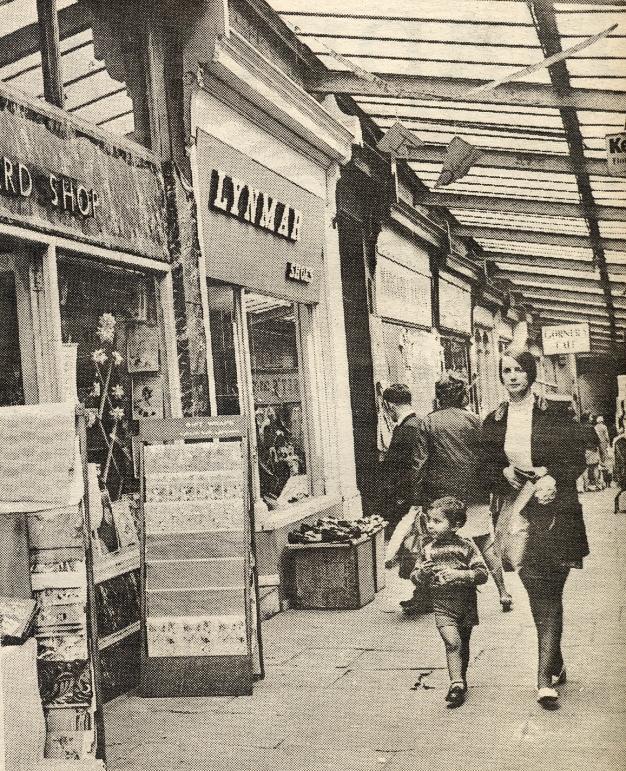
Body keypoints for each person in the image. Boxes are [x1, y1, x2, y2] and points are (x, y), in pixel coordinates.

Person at [480, 349, 589, 709]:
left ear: (530, 373)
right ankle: (553, 659)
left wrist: (555, 478)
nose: (512, 376)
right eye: (505, 371)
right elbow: (485, 466)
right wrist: (503, 473)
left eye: (518, 370)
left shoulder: (554, 410)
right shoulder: (494, 419)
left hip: (555, 509)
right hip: (519, 512)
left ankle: (543, 678)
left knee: (551, 587)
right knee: (533, 586)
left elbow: (576, 455)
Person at [393, 372, 512, 613]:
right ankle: (503, 592)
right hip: (475, 492)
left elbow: (419, 463)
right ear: (464, 396)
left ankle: (426, 597)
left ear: (438, 397)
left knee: (430, 543)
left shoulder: (428, 422)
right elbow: (490, 458)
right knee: (485, 542)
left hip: (440, 496)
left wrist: (416, 497)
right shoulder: (476, 421)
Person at [410, 496, 488, 708]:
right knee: (452, 642)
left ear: (456, 525)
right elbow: (414, 576)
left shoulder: (467, 547)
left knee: (463, 644)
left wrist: (460, 575)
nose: (430, 525)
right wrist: (422, 574)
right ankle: (455, 684)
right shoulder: (427, 548)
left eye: (437, 521)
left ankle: (460, 679)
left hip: (466, 602)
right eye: (429, 521)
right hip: (442, 603)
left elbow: (482, 574)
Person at [378, 384, 423, 538]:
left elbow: (404, 468)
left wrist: (398, 498)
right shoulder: (418, 423)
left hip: (405, 500)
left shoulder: (407, 429)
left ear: (390, 406)